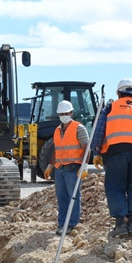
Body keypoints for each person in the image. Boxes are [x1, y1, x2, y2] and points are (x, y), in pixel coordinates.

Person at [90, 78, 132, 237]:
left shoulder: (111, 107)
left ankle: (120, 224)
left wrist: (96, 152)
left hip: (116, 153)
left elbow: (99, 130)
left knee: (116, 186)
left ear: (118, 93)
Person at [44, 100, 90, 235]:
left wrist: (85, 167)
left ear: (71, 113)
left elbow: (87, 148)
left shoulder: (79, 128)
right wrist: (50, 166)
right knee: (62, 197)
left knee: (73, 197)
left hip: (73, 169)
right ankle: (61, 224)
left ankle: (71, 224)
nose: (64, 115)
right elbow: (56, 150)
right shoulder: (57, 130)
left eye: (66, 113)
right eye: (61, 113)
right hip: (60, 169)